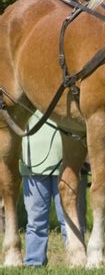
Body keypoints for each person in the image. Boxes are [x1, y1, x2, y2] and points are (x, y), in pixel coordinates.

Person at [20, 113, 67, 267]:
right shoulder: (25, 98)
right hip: (32, 166)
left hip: (64, 166)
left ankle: (75, 259)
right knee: (35, 220)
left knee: (68, 220)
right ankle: (34, 262)